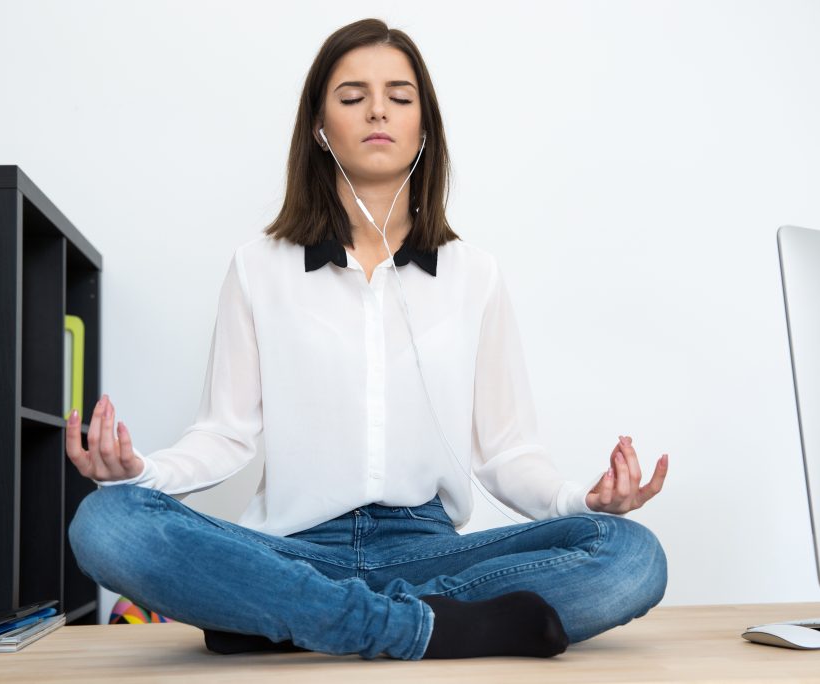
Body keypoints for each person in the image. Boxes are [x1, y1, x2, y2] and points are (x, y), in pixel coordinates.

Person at [66, 18, 669, 661]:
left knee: (630, 554)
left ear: (424, 127)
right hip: (295, 549)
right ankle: (428, 629)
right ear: (321, 127)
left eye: (400, 97)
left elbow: (506, 451)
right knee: (108, 522)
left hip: (429, 549)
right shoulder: (258, 266)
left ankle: (295, 620)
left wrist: (584, 498)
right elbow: (225, 433)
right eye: (352, 97)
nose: (377, 109)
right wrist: (144, 474)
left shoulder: (475, 274)